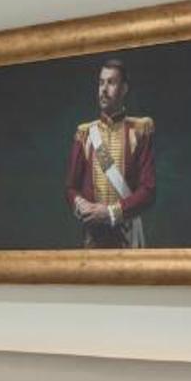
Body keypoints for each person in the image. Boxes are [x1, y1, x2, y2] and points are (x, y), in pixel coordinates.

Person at [66, 57, 154, 247]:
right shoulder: (85, 134)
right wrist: (81, 205)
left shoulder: (138, 131)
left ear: (124, 89)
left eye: (111, 83)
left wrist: (110, 213)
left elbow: (148, 190)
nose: (103, 90)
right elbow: (71, 188)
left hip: (127, 237)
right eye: (101, 83)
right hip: (93, 239)